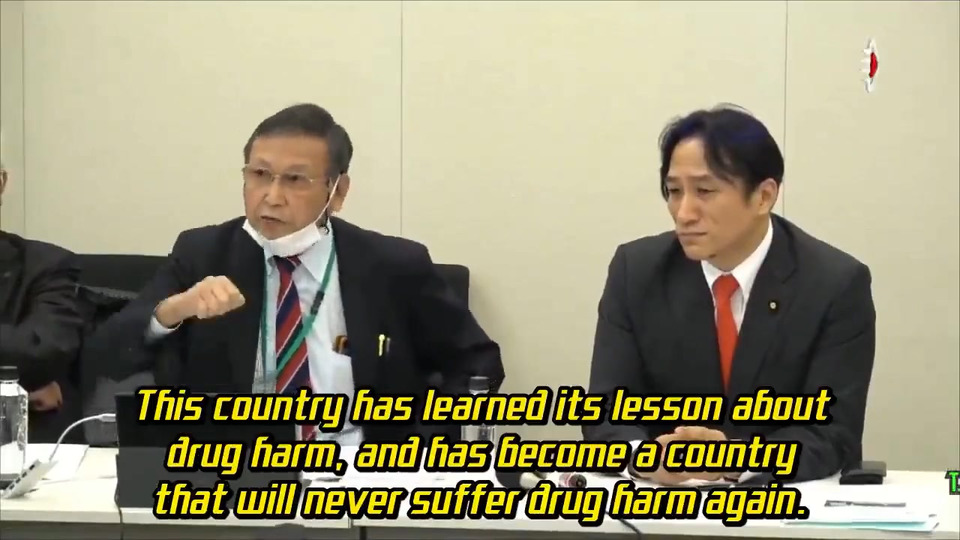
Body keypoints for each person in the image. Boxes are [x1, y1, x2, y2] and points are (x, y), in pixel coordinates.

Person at [95, 104, 504, 443]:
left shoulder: (393, 265)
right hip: (237, 474)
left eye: (295, 180)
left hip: (359, 471)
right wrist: (171, 311)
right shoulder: (203, 254)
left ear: (337, 192)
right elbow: (105, 355)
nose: (272, 196)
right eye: (259, 175)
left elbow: (478, 363)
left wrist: (425, 444)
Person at [583, 105, 876, 484]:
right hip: (662, 501)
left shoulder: (834, 283)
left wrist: (734, 460)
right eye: (674, 191)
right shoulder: (636, 271)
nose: (683, 213)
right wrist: (646, 458)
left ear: (763, 196)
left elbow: (833, 432)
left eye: (704, 191)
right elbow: (604, 412)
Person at [0, 131, 85, 442]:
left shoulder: (46, 264)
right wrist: (11, 389)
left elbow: (44, 349)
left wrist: (25, 378)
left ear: (0, 184)